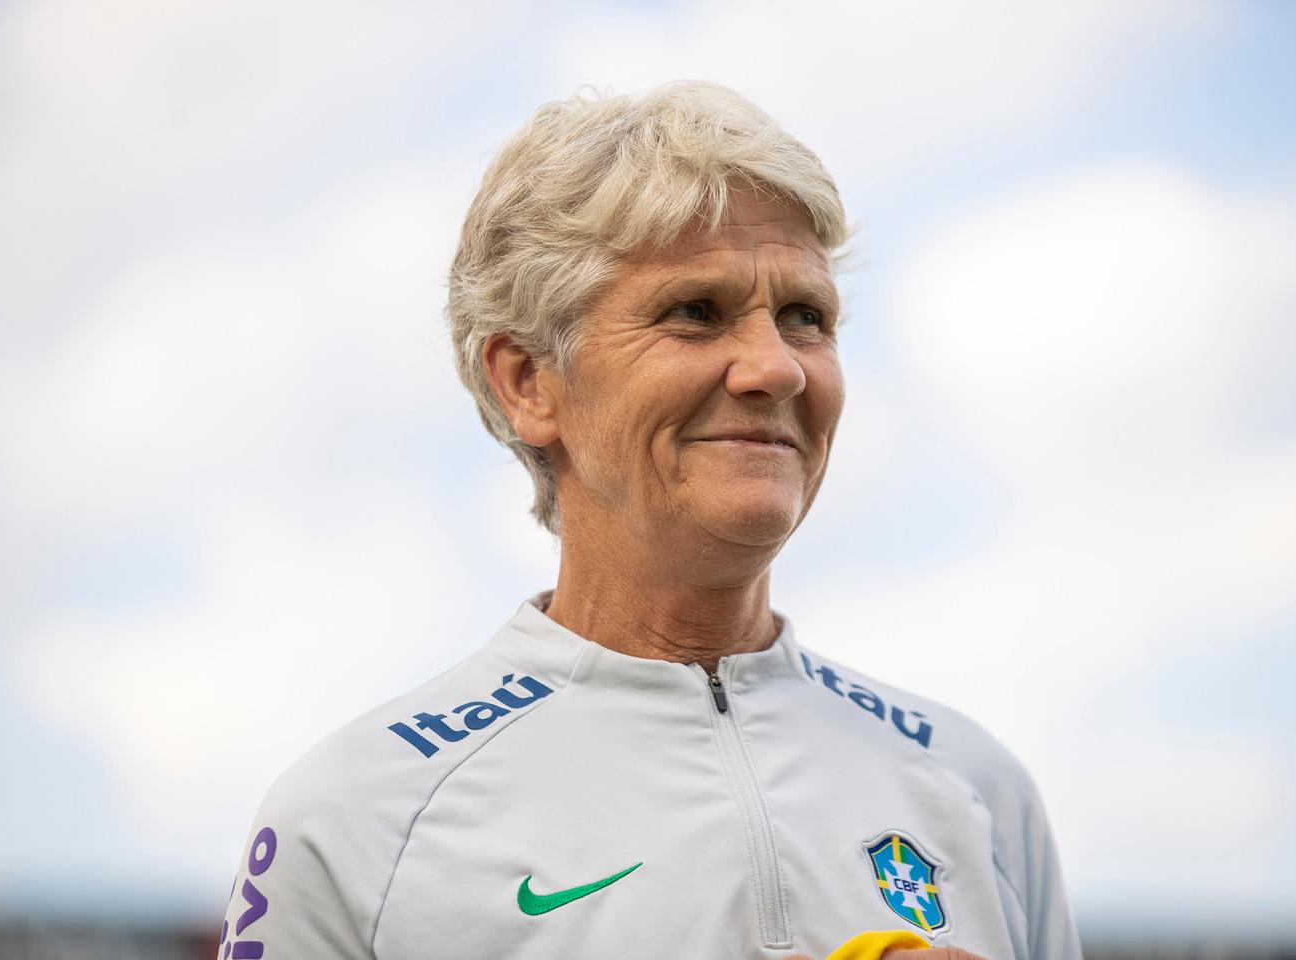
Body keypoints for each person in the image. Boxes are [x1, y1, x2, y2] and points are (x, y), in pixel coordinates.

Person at [214, 81, 1082, 960]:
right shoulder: (358, 821)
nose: (775, 368)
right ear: (529, 381)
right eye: (696, 313)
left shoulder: (976, 788)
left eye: (804, 318)